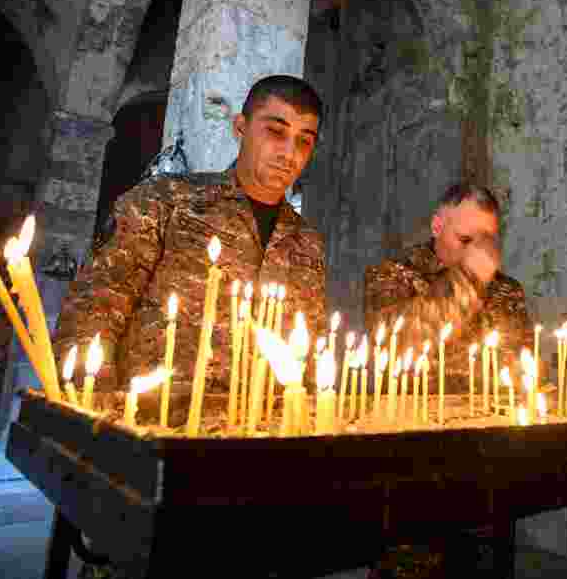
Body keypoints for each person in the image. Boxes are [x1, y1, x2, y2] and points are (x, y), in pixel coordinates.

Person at [53, 75, 327, 579]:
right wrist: (95, 441)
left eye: (305, 139)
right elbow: (93, 313)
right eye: (275, 130)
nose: (290, 151)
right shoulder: (167, 203)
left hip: (255, 461)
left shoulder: (306, 242)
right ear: (241, 127)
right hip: (154, 446)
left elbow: (305, 350)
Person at [364, 184, 534, 579]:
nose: (479, 252)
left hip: (489, 475)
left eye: (487, 242)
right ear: (438, 225)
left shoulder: (508, 291)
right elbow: (393, 339)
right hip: (413, 474)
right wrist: (467, 279)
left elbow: (520, 367)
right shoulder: (393, 276)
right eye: (465, 240)